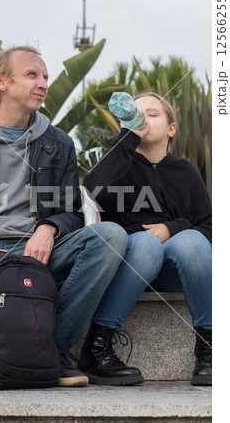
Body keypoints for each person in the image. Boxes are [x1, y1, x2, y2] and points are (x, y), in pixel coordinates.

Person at [0, 46, 143, 387]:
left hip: (35, 254)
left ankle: (49, 352)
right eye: (32, 74)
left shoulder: (58, 142)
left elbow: (70, 211)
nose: (43, 83)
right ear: (1, 81)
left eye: (46, 76)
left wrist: (48, 229)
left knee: (110, 236)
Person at [82, 92, 212, 386]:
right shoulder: (119, 164)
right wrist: (126, 140)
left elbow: (209, 230)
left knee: (191, 240)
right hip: (129, 264)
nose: (143, 120)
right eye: (137, 114)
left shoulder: (186, 173)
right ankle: (97, 346)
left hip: (173, 270)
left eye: (152, 114)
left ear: (171, 128)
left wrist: (173, 227)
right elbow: (91, 191)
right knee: (147, 243)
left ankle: (210, 350)